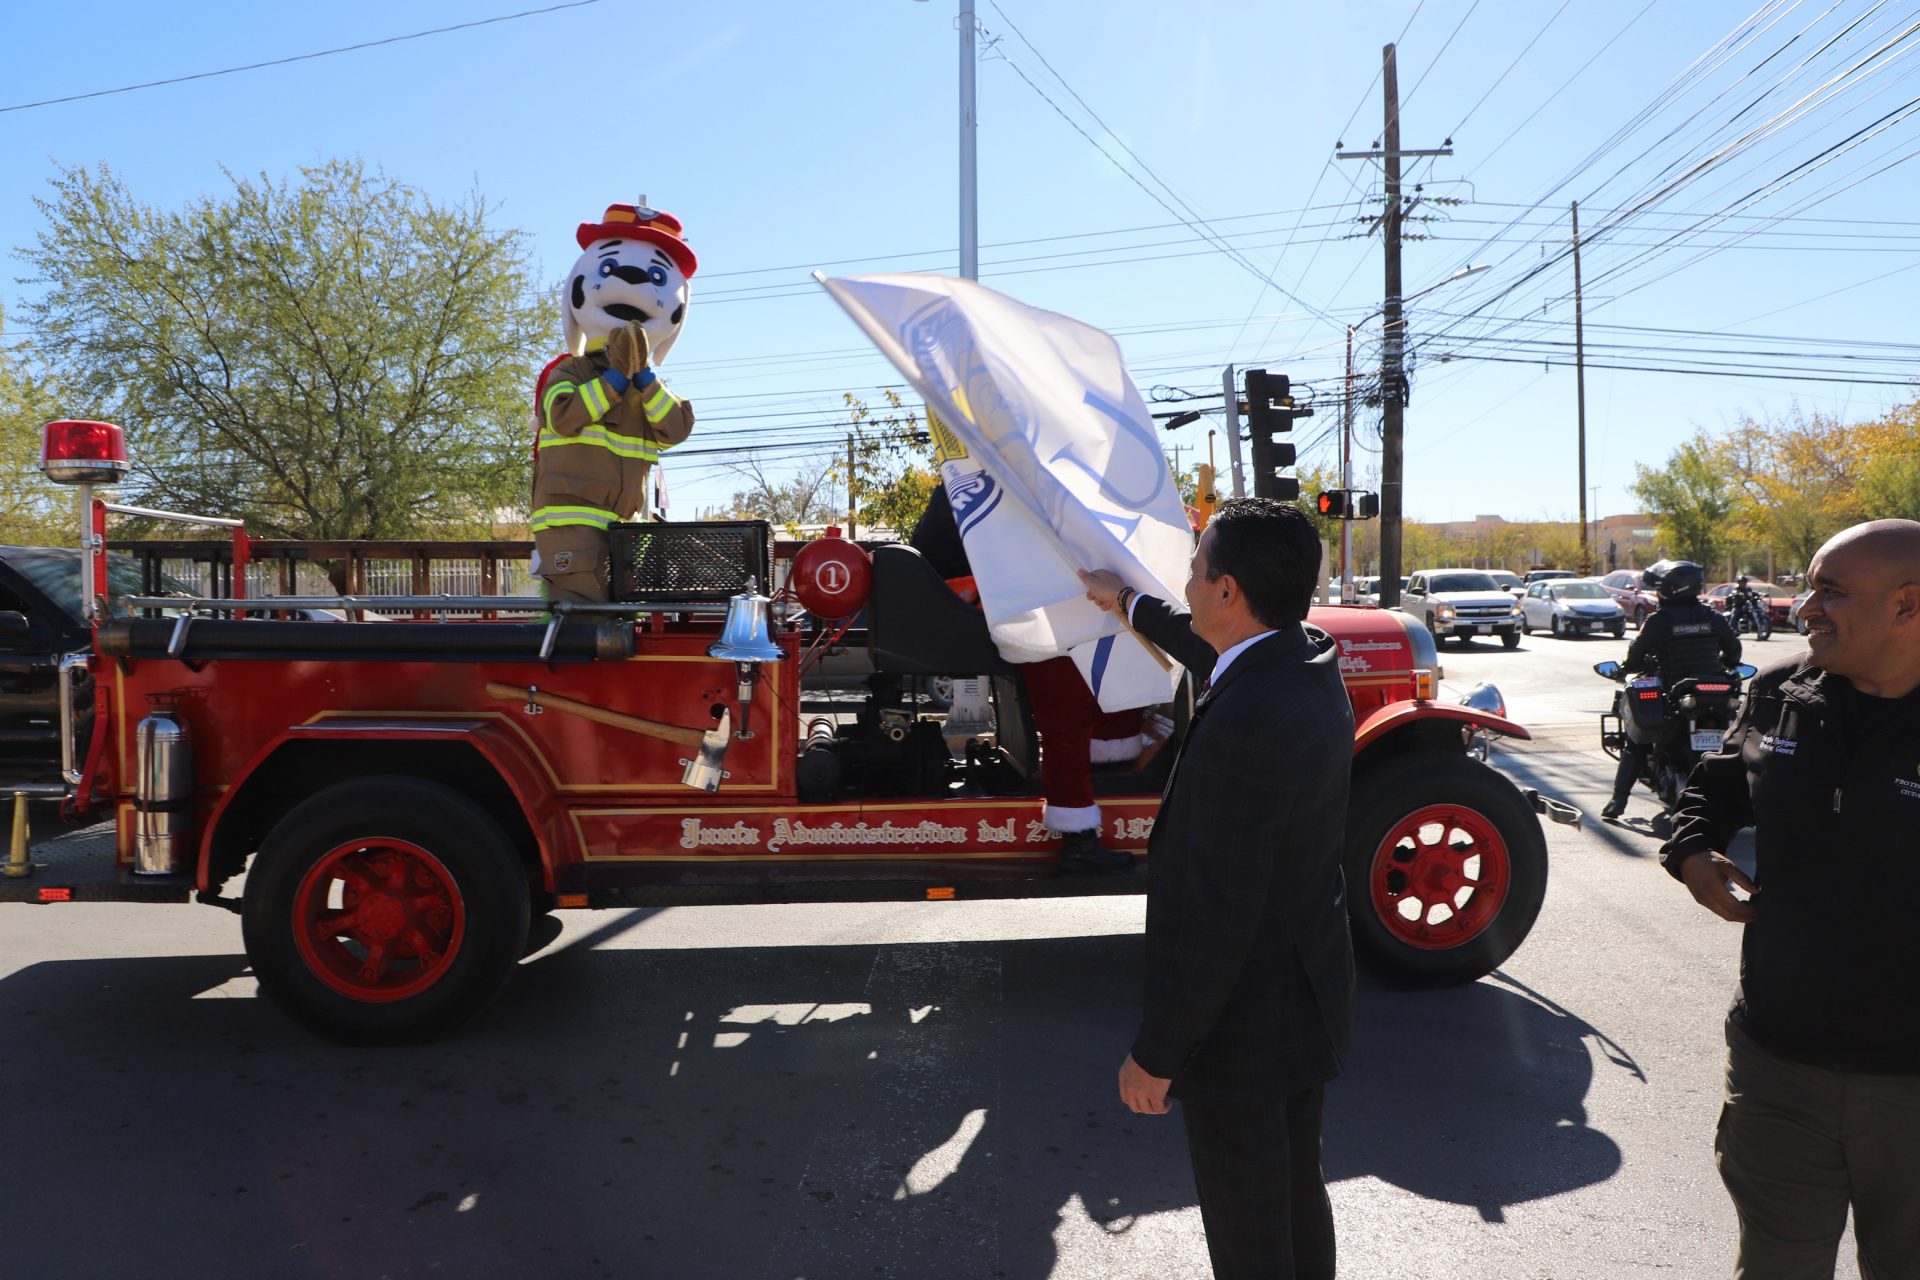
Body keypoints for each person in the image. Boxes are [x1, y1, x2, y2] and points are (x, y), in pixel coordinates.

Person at [1080, 497, 1355, 1280]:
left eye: (1197, 571)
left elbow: (1218, 916)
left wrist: (1157, 1055)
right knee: (1294, 1200)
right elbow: (1202, 643)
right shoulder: (1303, 657)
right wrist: (1125, 600)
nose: (1188, 583)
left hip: (1246, 1032)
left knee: (1251, 1239)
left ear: (1229, 590)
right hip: (1303, 1006)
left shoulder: (1247, 722)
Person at [1661, 519, 1920, 1278]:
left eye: (1829, 592)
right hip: (1777, 1064)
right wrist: (1690, 851)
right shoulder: (1780, 692)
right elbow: (1712, 790)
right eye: (1809, 588)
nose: (1806, 609)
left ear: (1907, 605)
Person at [910, 483, 1139, 873]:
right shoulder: (1002, 483)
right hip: (997, 610)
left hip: (987, 605)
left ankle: (1095, 773)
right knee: (1067, 714)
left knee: (1069, 706)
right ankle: (1079, 842)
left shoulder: (971, 482)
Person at [531, 203, 698, 605]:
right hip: (571, 529)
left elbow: (676, 428)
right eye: (609, 267)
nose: (632, 279)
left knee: (621, 623)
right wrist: (614, 381)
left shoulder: (650, 389)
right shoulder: (569, 371)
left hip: (627, 531)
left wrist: (643, 378)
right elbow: (562, 416)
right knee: (584, 625)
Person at [1600, 559, 1741, 821]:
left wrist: (1626, 669)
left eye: (1659, 588)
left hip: (1675, 695)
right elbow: (1734, 651)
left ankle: (1618, 802)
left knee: (1637, 742)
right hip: (1717, 693)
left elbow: (1635, 655)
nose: (1657, 593)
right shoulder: (1714, 617)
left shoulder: (1658, 621)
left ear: (1670, 589)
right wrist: (1727, 664)